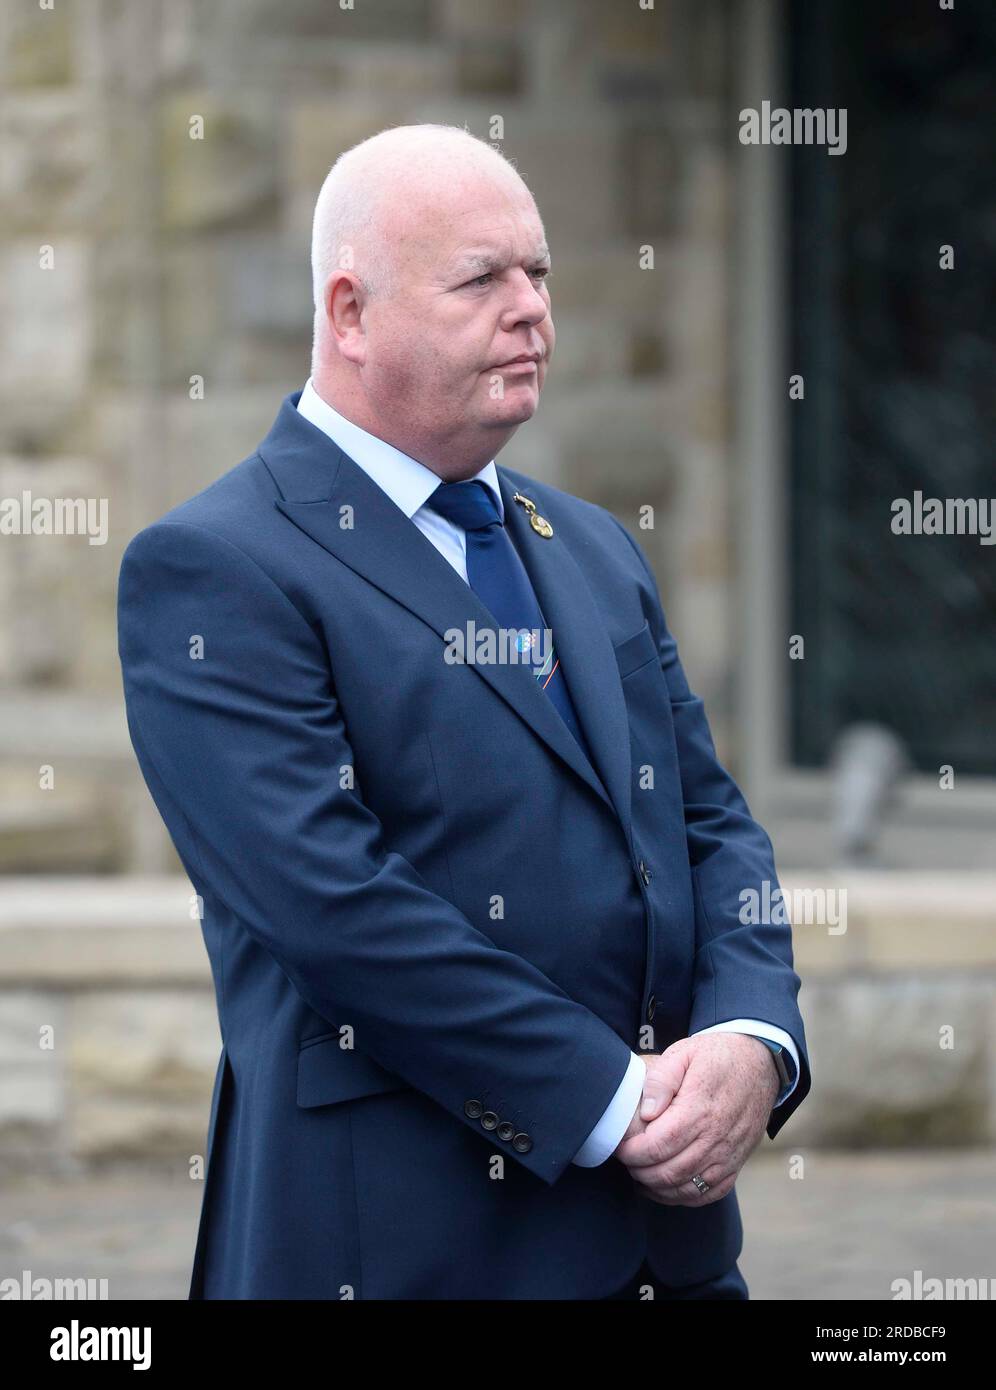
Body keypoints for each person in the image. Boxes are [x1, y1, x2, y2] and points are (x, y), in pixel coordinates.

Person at [117, 123, 810, 1300]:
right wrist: (611, 1099)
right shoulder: (215, 567)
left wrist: (755, 1038)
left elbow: (709, 826)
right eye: (482, 278)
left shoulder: (589, 546)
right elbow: (334, 908)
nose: (531, 307)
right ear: (349, 312)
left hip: (672, 1257)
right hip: (402, 1253)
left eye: (539, 273)